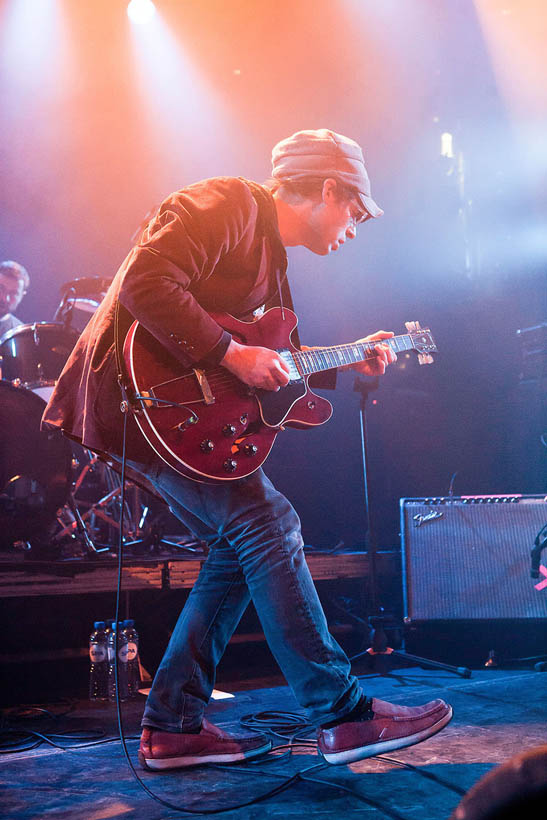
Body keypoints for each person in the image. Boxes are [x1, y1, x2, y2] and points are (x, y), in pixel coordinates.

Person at [42, 129, 452, 769]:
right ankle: (341, 716)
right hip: (135, 402)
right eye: (357, 211)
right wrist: (231, 352)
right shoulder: (228, 203)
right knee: (268, 522)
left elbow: (274, 367)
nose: (356, 227)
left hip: (164, 413)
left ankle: (172, 725)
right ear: (326, 189)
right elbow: (145, 282)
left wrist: (349, 366)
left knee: (242, 543)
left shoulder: (275, 263)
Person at [0, 260, 29, 340]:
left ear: (22, 296)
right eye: (1, 289)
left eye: (13, 293)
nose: (5, 298)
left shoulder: (20, 336)